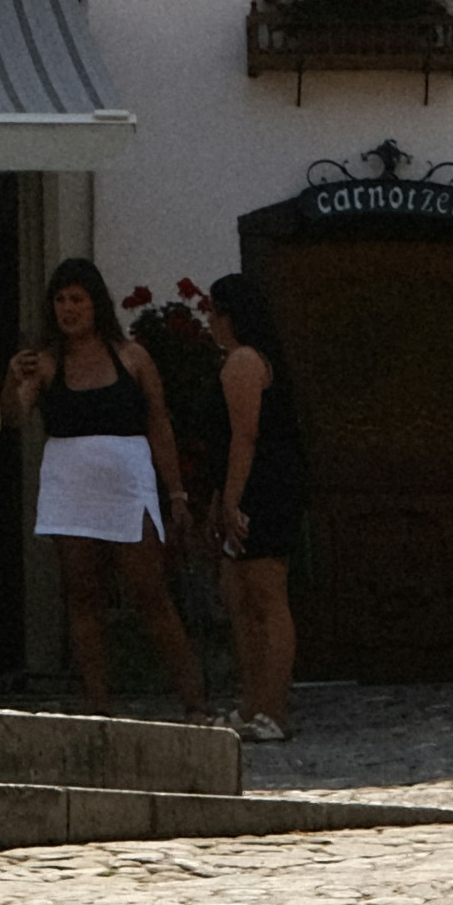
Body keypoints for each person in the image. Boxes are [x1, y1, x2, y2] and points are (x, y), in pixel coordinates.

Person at [3, 257, 206, 719]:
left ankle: (194, 701)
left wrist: (175, 493)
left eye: (77, 299)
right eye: (60, 300)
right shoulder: (45, 363)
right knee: (83, 596)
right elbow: (12, 417)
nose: (68, 309)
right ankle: (99, 706)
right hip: (71, 489)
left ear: (96, 303)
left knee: (150, 591)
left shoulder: (132, 356)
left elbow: (159, 425)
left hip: (127, 488)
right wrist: (11, 378)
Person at [206, 271, 309, 742]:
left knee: (267, 596)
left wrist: (231, 499)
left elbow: (245, 437)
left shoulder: (244, 362)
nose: (210, 320)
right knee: (237, 595)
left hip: (263, 485)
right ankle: (251, 705)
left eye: (215, 311)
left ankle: (273, 710)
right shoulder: (241, 359)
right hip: (252, 481)